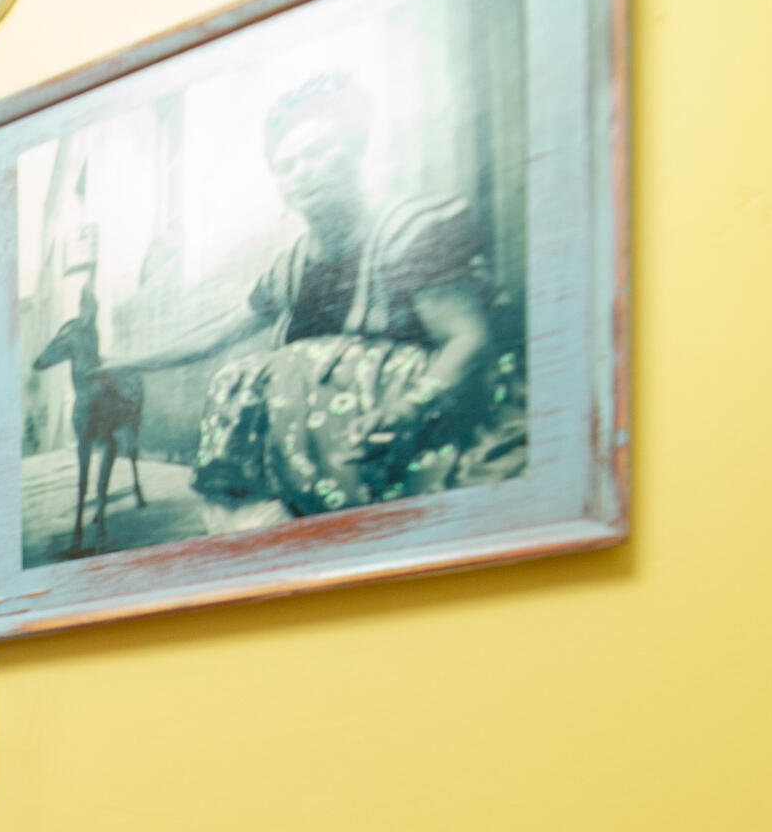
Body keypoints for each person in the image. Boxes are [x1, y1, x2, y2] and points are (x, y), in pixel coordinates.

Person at [105, 70, 524, 529]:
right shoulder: (291, 265)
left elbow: (467, 338)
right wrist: (128, 363)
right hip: (301, 449)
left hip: (406, 433)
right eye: (286, 166)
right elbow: (216, 334)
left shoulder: (406, 230)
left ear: (354, 152)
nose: (302, 173)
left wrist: (404, 412)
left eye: (317, 153)